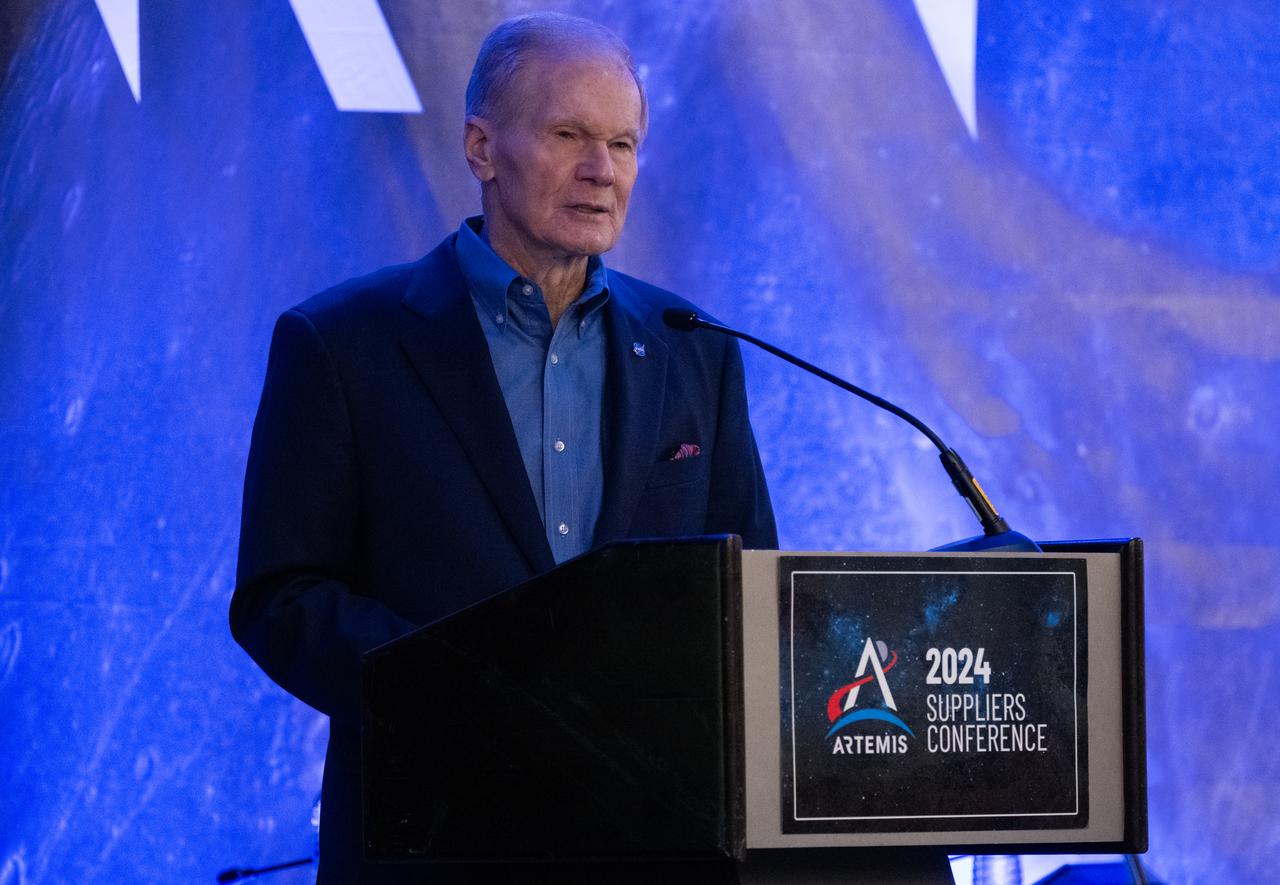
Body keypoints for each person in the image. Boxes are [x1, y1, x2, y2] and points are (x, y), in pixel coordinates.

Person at [230, 12, 776, 882]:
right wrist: (468, 692)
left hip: (652, 843)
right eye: (569, 135)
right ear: (482, 148)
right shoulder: (341, 345)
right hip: (434, 837)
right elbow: (282, 597)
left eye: (624, 145)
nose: (603, 171)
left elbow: (750, 590)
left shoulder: (693, 347)